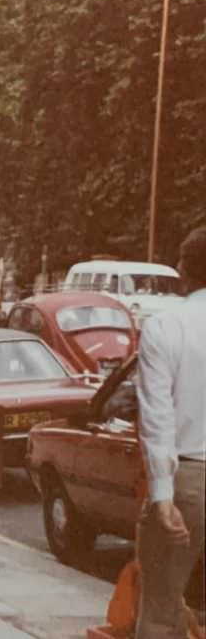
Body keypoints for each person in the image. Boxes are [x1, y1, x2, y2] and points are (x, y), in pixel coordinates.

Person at [135, 226, 205, 639]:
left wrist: (162, 496)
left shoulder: (166, 327)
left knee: (161, 612)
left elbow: (157, 417)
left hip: (190, 480)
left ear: (185, 270)